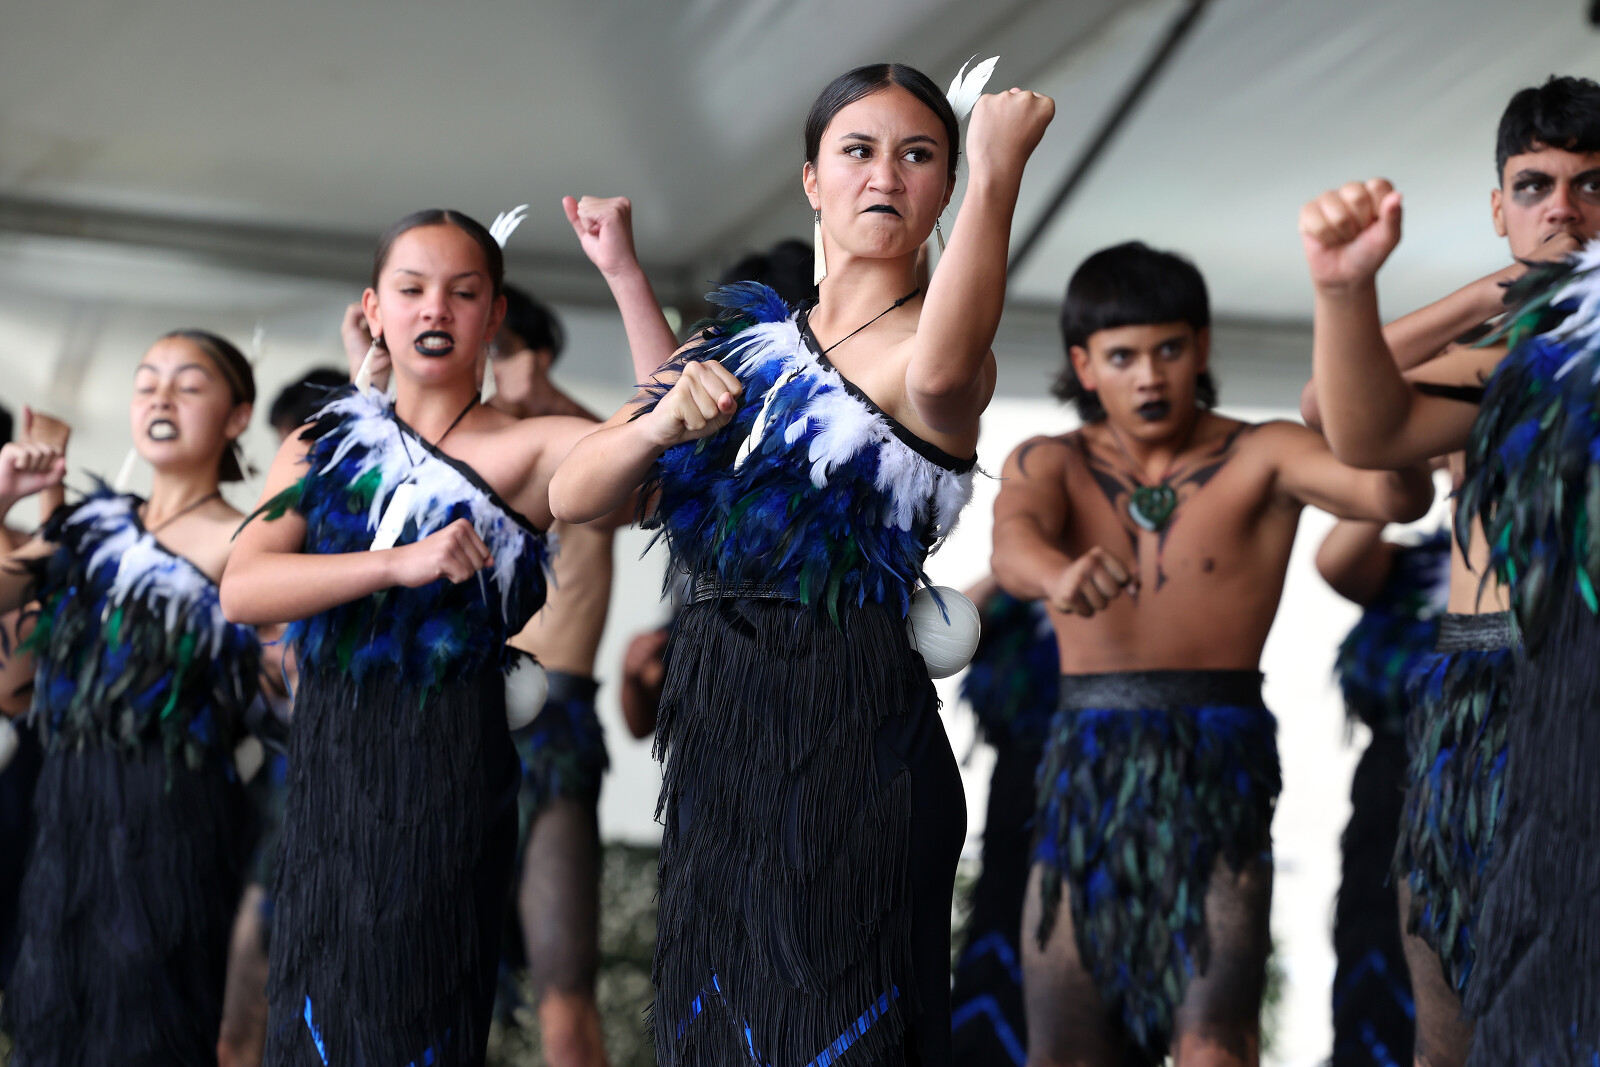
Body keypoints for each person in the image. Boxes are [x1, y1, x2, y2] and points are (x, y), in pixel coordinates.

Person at [549, 63, 1054, 1067]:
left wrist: (999, 173)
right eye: (858, 151)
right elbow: (573, 492)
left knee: (838, 1027)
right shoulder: (741, 345)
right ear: (813, 181)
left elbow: (945, 369)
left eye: (919, 155)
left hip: (855, 731)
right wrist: (655, 417)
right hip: (721, 727)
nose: (886, 175)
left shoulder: (930, 353)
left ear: (945, 188)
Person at [990, 240, 1433, 1067]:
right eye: (1122, 357)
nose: (1149, 377)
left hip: (1217, 765)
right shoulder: (1051, 460)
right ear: (1084, 365)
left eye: (1168, 350)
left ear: (1201, 347)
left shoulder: (1264, 451)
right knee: (1064, 1054)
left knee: (1214, 1047)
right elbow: (1012, 543)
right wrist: (1057, 573)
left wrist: (1397, 434)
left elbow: (1390, 494)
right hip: (1084, 769)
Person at [222, 208, 607, 1067]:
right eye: (412, 289)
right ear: (374, 309)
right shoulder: (320, 441)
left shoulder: (533, 444)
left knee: (415, 1017)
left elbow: (667, 456)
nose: (435, 307)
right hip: (328, 769)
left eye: (463, 292)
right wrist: (395, 564)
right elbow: (244, 588)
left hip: (447, 768)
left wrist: (619, 270)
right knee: (308, 1019)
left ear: (493, 314)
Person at [1301, 75, 1600, 1067]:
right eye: (1535, 185)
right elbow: (1346, 419)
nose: (1563, 208)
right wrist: (1349, 289)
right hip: (1473, 696)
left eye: (1593, 184)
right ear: (1498, 207)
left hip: (1581, 695)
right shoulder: (1503, 349)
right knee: (1447, 1029)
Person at [0, 330, 264, 1066]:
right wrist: (4, 498)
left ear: (237, 416)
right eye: (147, 383)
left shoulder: (246, 543)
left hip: (174, 813)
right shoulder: (92, 527)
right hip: (66, 805)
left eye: (188, 384)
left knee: (148, 1031)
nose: (160, 397)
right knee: (55, 1021)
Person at [1318, 520, 1451, 1067]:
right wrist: (1413, 470)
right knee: (1377, 967)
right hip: (1392, 790)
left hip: (1514, 778)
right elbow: (1335, 561)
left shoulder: (1555, 546)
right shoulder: (1408, 566)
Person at [948, 576, 1060, 1067]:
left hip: (1090, 798)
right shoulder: (1020, 597)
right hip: (1015, 798)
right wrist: (1008, 570)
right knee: (1002, 921)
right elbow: (950, 635)